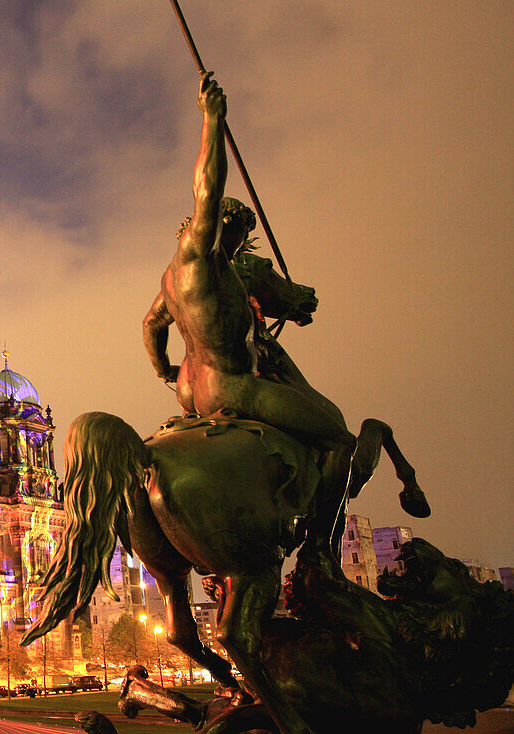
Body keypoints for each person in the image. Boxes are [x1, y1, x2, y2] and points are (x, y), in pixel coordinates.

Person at [143, 71, 360, 561]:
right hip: (232, 387)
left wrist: (166, 371)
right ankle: (320, 557)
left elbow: (150, 327)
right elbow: (207, 188)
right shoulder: (202, 255)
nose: (239, 244)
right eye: (237, 233)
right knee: (340, 438)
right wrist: (212, 121)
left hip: (189, 392)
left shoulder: (169, 279)